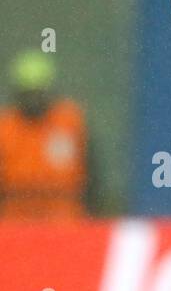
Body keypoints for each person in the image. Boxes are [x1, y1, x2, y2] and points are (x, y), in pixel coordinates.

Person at [0, 51, 103, 219]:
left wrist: (92, 214)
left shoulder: (69, 122)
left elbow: (93, 173)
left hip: (65, 219)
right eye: (27, 93)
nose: (33, 100)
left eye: (38, 93)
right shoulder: (5, 128)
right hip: (14, 219)